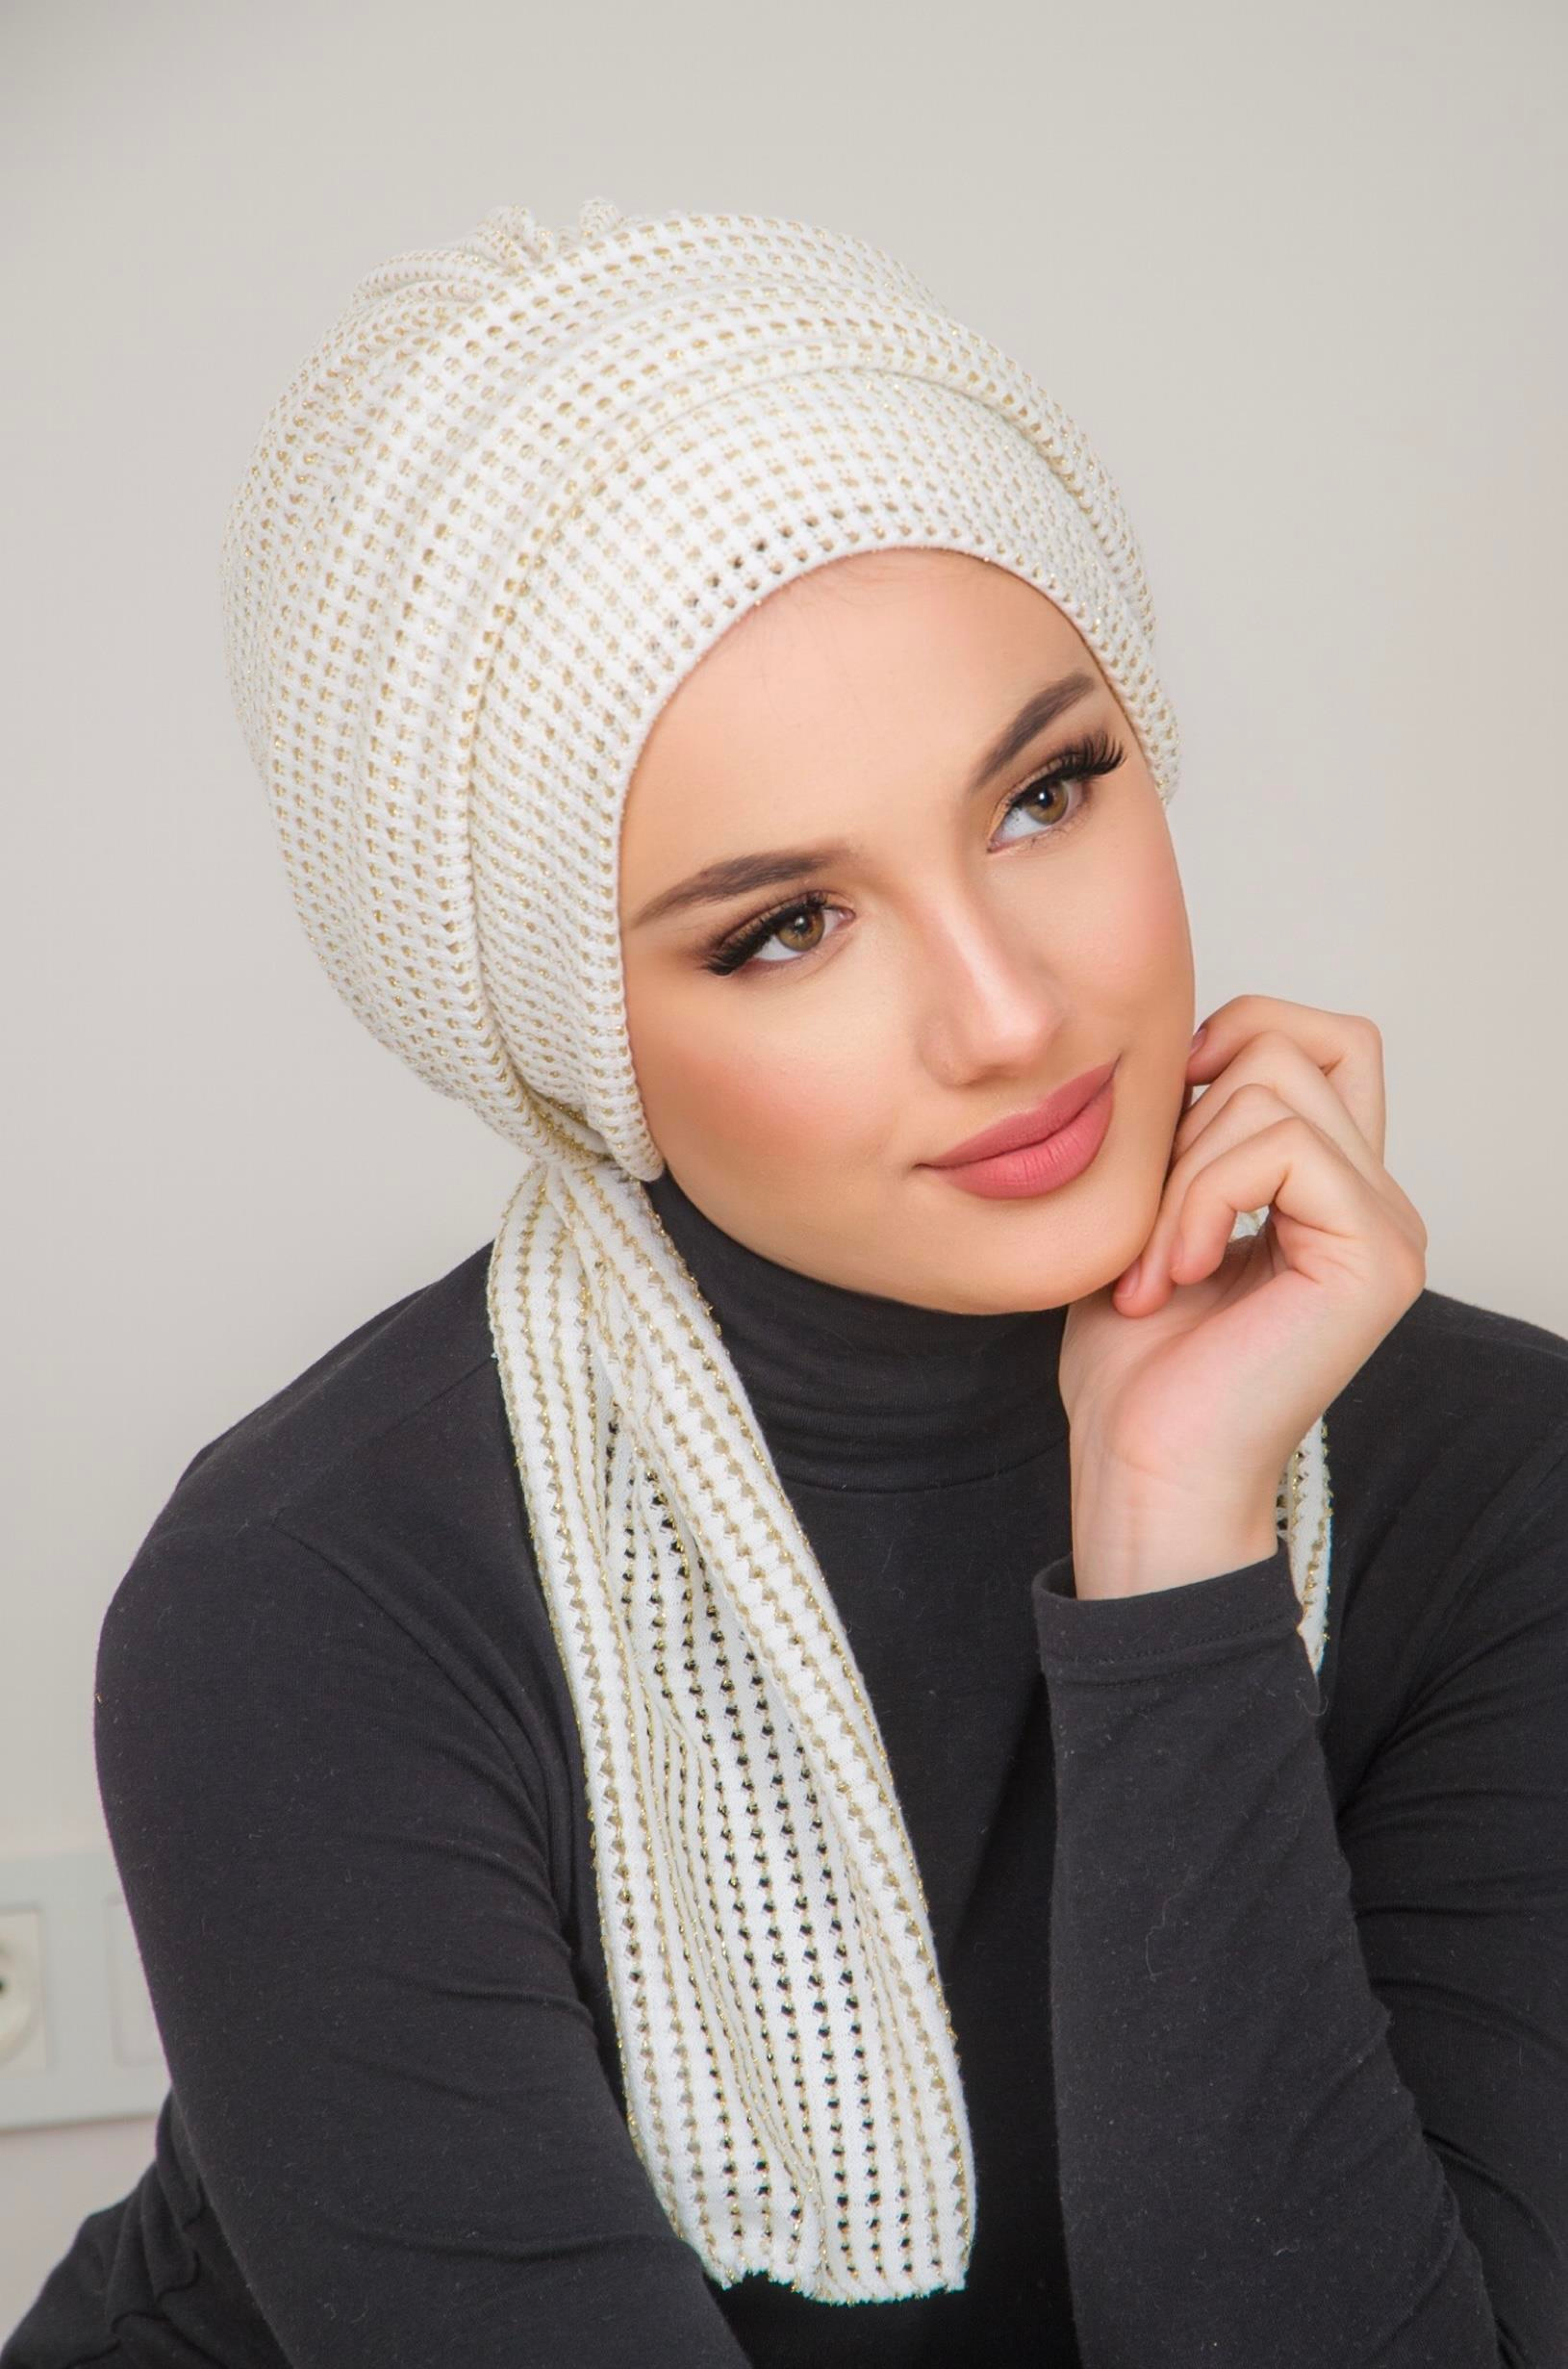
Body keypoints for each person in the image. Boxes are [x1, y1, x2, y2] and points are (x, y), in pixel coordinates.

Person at [5, 197, 1566, 2369]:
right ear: (572, 1034)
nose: (1010, 1015)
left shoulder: (1495, 1477)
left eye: (1043, 793)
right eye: (782, 928)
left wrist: (1173, 1555)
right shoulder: (313, 1590)